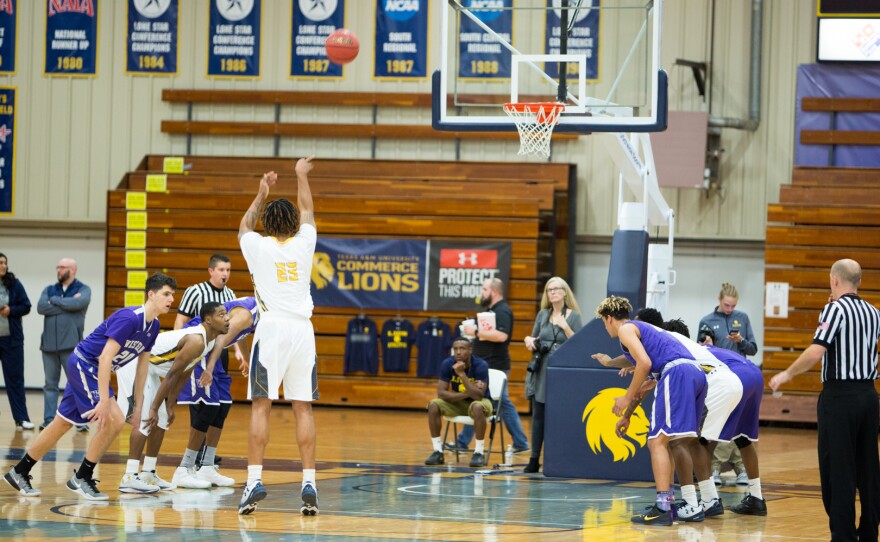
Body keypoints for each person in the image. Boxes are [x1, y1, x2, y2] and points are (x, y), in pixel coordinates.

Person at [3, 273, 176, 500]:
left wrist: (138, 405)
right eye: (166, 294)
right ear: (151, 295)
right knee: (114, 419)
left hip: (90, 368)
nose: (171, 299)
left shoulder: (154, 326)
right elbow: (105, 358)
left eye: (173, 295)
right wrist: (103, 400)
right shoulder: (130, 318)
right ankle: (82, 477)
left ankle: (19, 471)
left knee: (62, 423)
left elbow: (142, 366)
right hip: (86, 364)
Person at [770, 259, 880, 540]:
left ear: (834, 280)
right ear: (859, 281)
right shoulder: (873, 312)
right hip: (869, 396)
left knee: (838, 470)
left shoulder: (834, 309)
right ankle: (869, 533)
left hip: (840, 398)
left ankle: (843, 535)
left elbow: (817, 351)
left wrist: (787, 374)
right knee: (868, 468)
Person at [237, 157, 319, 516]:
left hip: (271, 330)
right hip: (302, 330)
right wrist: (300, 175)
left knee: (261, 405)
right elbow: (307, 209)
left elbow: (244, 225)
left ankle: (254, 480)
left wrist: (261, 192)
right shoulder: (305, 242)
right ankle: (309, 483)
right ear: (293, 224)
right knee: (303, 407)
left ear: (267, 224)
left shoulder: (257, 245)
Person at [592, 296, 707, 527]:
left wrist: (626, 397)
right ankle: (670, 504)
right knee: (670, 441)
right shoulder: (642, 329)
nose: (605, 327)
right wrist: (609, 362)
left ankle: (663, 507)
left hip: (676, 373)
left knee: (656, 442)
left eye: (603, 322)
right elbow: (634, 359)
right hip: (695, 374)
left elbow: (643, 363)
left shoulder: (625, 329)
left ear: (609, 318)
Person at [115, 301, 230, 494]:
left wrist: (169, 405)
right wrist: (153, 407)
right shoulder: (196, 340)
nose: (227, 318)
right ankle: (129, 476)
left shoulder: (208, 342)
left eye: (226, 314)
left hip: (151, 368)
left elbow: (185, 372)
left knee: (161, 420)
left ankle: (148, 473)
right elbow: (171, 375)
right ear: (208, 320)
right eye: (221, 315)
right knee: (145, 418)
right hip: (134, 363)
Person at [174, 297, 258, 489]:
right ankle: (184, 468)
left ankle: (207, 466)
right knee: (209, 407)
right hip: (200, 344)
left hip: (213, 348)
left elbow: (240, 334)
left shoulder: (255, 313)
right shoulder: (248, 313)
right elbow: (221, 339)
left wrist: (246, 359)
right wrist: (210, 369)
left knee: (222, 406)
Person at [173, 253, 238, 466]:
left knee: (218, 402)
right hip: (198, 349)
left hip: (220, 352)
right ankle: (197, 449)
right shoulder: (195, 291)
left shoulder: (230, 294)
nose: (225, 274)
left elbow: (233, 328)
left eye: (228, 270)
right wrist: (179, 345)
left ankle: (208, 449)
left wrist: (238, 350)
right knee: (199, 401)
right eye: (221, 270)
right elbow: (180, 320)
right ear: (211, 271)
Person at [457, 278, 530, 457]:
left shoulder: (502, 310)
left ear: (494, 292)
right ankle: (463, 441)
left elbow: (502, 336)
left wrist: (475, 332)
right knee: (478, 400)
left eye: (484, 289)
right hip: (486, 365)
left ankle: (521, 442)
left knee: (500, 402)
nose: (482, 293)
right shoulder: (490, 311)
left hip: (495, 366)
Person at [521, 277, 582, 473]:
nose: (552, 292)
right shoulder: (542, 314)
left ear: (565, 292)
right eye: (549, 290)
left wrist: (565, 327)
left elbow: (579, 344)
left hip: (562, 371)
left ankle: (558, 458)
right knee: (538, 415)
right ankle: (534, 459)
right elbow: (534, 339)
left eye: (556, 289)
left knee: (559, 416)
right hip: (542, 369)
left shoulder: (574, 316)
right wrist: (529, 340)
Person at [699, 282, 757, 488]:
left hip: (741, 376)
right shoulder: (707, 321)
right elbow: (700, 351)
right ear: (719, 300)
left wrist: (741, 340)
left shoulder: (743, 318)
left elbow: (753, 349)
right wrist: (708, 345)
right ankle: (723, 467)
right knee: (721, 421)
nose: (730, 309)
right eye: (726, 305)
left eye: (733, 306)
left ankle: (733, 468)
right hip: (718, 378)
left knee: (738, 423)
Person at [37, 258, 91, 430]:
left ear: (72, 270)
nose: (58, 270)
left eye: (62, 267)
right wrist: (68, 305)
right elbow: (41, 307)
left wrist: (54, 301)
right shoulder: (49, 289)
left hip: (71, 346)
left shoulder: (83, 289)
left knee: (77, 384)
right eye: (57, 267)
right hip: (48, 346)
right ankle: (48, 420)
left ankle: (81, 422)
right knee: (50, 385)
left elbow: (79, 303)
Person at [424, 337, 493, 468]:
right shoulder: (447, 363)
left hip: (481, 402)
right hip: (458, 402)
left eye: (462, 348)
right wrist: (467, 393)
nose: (458, 352)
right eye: (455, 349)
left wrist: (461, 374)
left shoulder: (481, 365)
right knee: (433, 405)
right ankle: (438, 452)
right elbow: (441, 393)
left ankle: (479, 453)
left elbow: (478, 396)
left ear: (470, 350)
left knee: (477, 407)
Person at [0, 253, 33, 430]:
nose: (3, 266)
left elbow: (26, 306)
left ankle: (21, 419)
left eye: (5, 262)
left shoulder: (14, 284)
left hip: (11, 341)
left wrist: (11, 310)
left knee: (15, 380)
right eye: (0, 263)